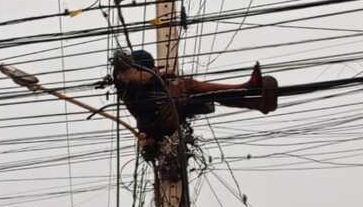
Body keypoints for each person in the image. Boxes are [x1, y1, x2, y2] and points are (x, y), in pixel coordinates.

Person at [111, 49, 278, 143]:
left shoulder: (140, 84)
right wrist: (158, 76)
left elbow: (146, 78)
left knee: (205, 95)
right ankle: (246, 88)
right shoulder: (126, 81)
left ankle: (256, 103)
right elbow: (139, 77)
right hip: (161, 122)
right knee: (188, 85)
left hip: (165, 117)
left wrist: (160, 77)